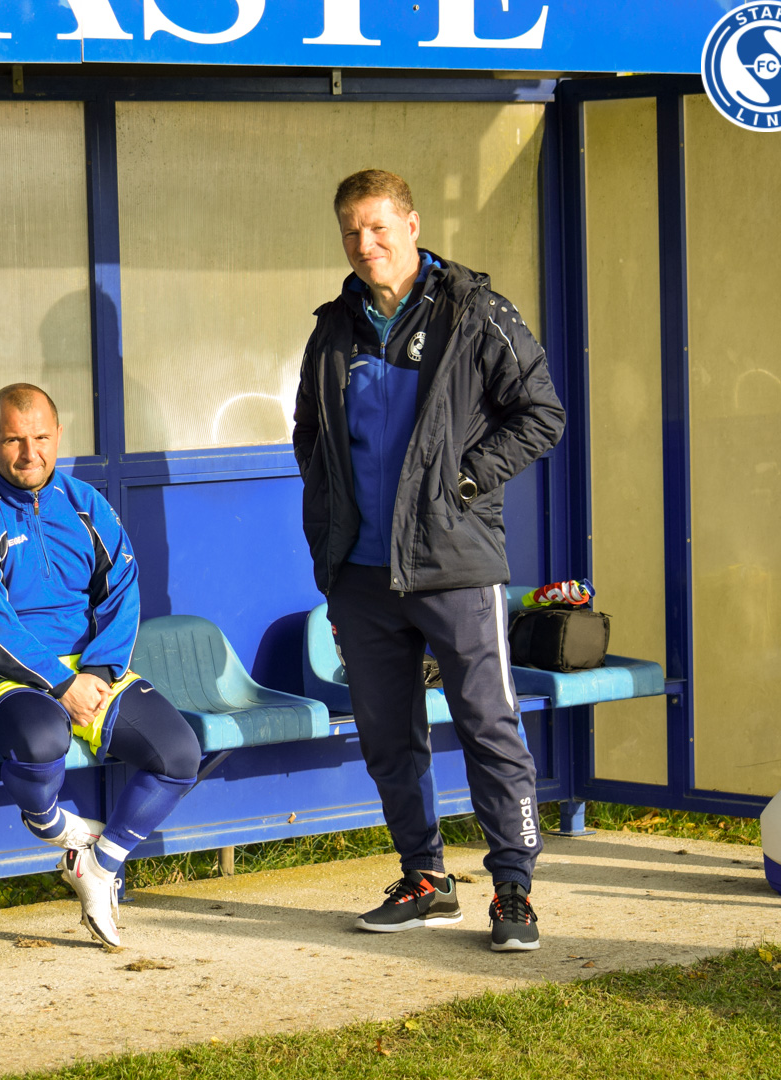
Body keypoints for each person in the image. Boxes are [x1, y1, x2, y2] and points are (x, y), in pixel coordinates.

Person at [291, 170, 565, 952]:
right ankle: (425, 880)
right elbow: (310, 436)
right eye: (351, 231)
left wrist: (465, 480)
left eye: (378, 227)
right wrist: (329, 538)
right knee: (388, 738)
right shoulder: (333, 327)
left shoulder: (476, 312)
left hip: (455, 565)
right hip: (361, 575)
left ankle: (513, 892)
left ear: (411, 226)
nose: (365, 244)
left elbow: (541, 414)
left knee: (488, 727)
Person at [0, 383, 202, 948]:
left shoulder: (86, 504)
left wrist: (99, 674)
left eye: (41, 437)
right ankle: (54, 826)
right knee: (42, 740)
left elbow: (123, 590)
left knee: (179, 755)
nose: (29, 453)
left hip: (88, 670)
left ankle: (98, 865)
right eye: (13, 440)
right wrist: (60, 684)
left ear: (58, 435)